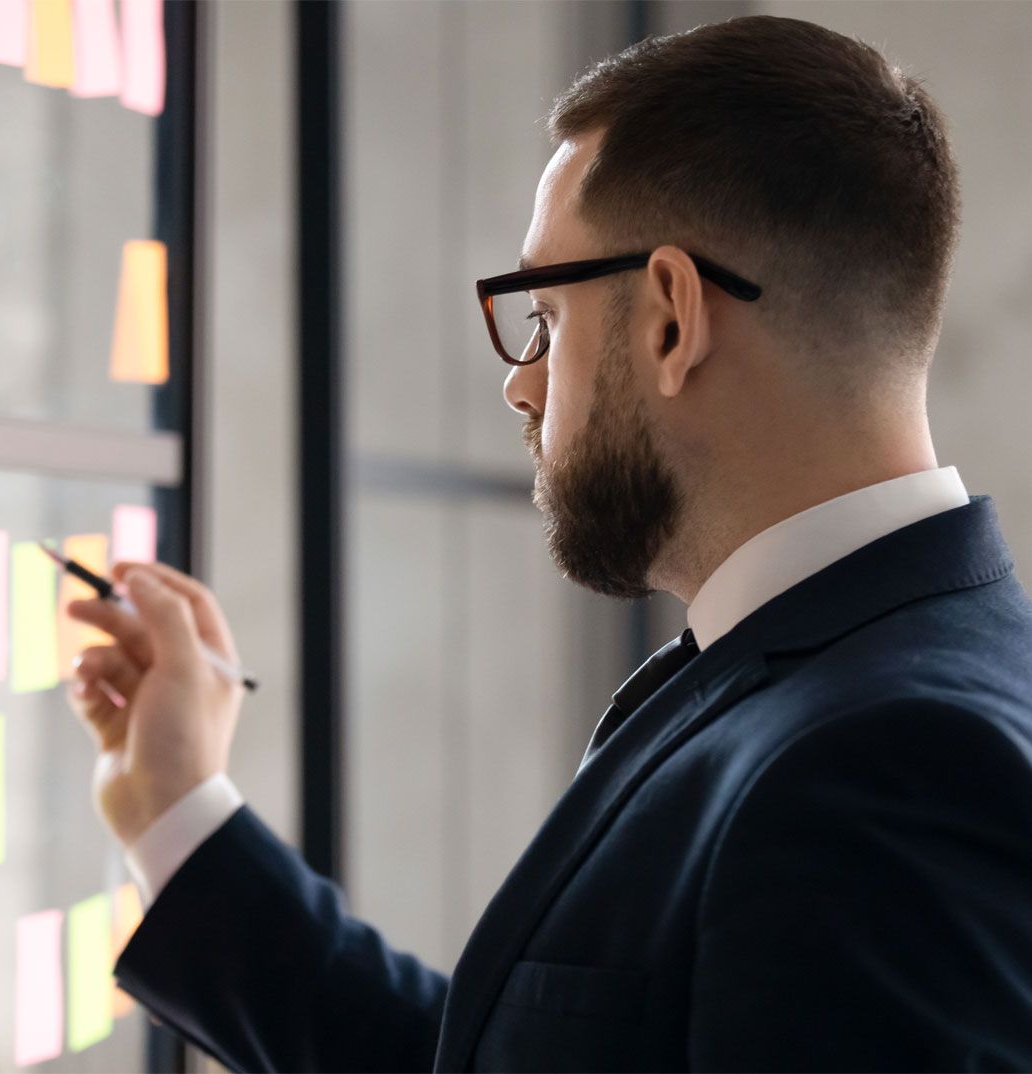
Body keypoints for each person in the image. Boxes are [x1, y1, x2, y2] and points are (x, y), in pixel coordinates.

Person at [67, 14, 1032, 1072]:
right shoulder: (844, 688)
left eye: (545, 318)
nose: (519, 383)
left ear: (670, 317)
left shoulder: (882, 770)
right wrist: (180, 815)